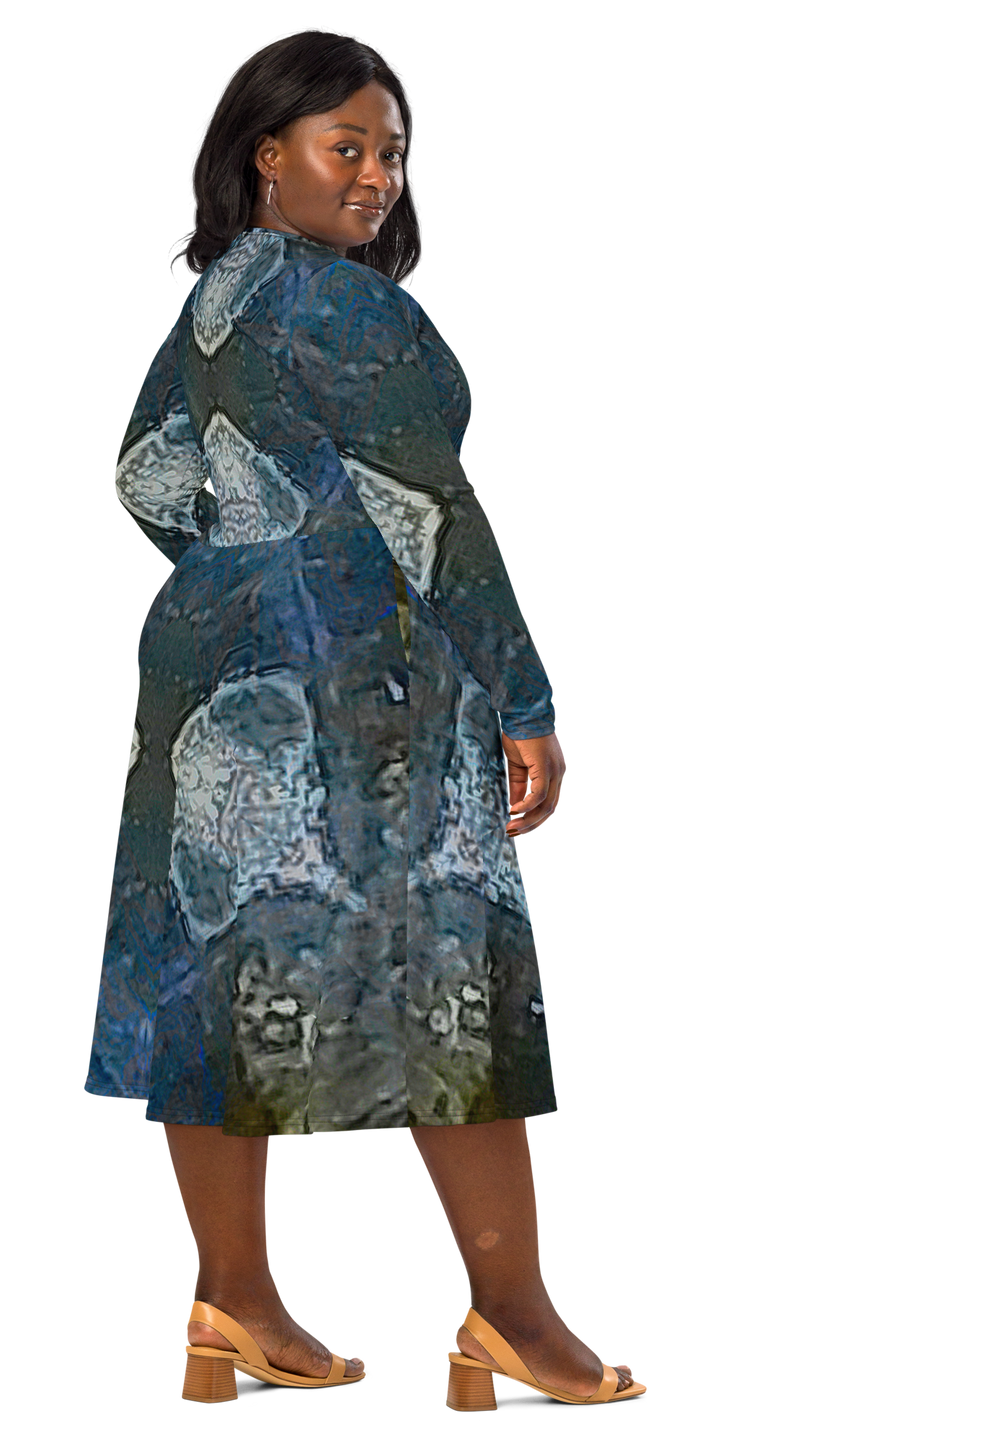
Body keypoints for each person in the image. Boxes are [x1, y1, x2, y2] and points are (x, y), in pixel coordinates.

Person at [88, 23, 645, 1408]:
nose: (378, 176)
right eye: (347, 147)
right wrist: (526, 700)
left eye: (393, 153)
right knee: (455, 983)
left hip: (210, 681)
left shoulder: (217, 299)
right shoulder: (342, 306)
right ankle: (513, 1318)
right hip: (362, 678)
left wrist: (241, 560)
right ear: (264, 157)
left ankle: (230, 1301)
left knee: (214, 975)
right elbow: (438, 515)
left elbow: (145, 474)